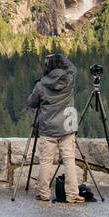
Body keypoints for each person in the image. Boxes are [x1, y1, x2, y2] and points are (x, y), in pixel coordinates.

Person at [26, 52, 84, 204]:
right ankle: (72, 193)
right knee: (69, 161)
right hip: (67, 126)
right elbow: (73, 67)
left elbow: (32, 102)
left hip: (48, 127)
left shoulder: (41, 84)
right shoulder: (68, 80)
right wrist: (60, 57)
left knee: (46, 161)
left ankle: (43, 193)